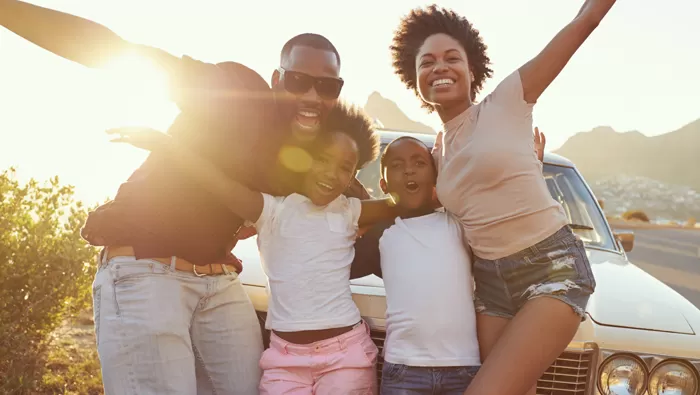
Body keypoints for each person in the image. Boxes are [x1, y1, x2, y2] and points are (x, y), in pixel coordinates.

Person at [0, 1, 369, 394]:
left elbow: (360, 202)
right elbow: (120, 52)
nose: (313, 95)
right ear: (277, 79)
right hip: (146, 267)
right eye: (299, 80)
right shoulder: (237, 90)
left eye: (327, 86)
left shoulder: (307, 160)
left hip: (220, 283)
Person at [389, 2, 613, 395]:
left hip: (552, 268)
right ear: (416, 80)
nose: (439, 67)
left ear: (471, 70)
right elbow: (429, 207)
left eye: (451, 58)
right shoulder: (439, 153)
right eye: (427, 63)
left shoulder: (508, 100)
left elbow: (584, 22)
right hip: (490, 285)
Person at [110, 102, 394, 395]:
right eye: (323, 159)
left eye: (345, 168)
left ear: (353, 176)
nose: (332, 174)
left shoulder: (350, 211)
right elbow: (216, 182)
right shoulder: (271, 209)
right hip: (285, 360)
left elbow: (402, 203)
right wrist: (166, 144)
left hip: (345, 354)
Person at [349, 131, 546, 395]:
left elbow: (505, 216)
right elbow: (333, 259)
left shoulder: (459, 224)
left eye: (420, 163)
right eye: (397, 166)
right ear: (384, 185)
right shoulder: (383, 233)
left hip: (463, 368)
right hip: (404, 370)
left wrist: (530, 169)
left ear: (436, 176)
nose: (409, 171)